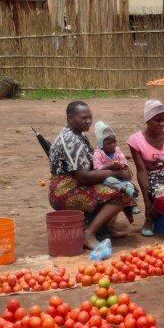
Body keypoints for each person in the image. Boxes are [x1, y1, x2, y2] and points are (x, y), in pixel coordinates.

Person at [48, 101, 136, 250]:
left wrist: (115, 167)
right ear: (70, 117)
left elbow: (92, 164)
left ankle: (103, 230)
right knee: (121, 193)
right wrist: (116, 172)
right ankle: (88, 234)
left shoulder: (78, 135)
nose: (88, 121)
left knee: (122, 185)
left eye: (90, 117)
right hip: (64, 190)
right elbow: (84, 177)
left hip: (75, 184)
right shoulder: (71, 140)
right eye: (84, 118)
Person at [128, 100, 164, 237]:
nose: (162, 124)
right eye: (157, 120)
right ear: (148, 119)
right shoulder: (136, 141)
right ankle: (149, 220)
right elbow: (141, 170)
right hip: (153, 176)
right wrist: (147, 202)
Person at [92, 120, 140, 221]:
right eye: (109, 143)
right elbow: (97, 168)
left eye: (114, 142)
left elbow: (123, 160)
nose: (113, 145)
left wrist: (122, 165)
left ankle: (133, 205)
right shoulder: (98, 153)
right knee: (111, 181)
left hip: (119, 175)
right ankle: (124, 189)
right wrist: (110, 166)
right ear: (101, 144)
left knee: (130, 185)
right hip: (106, 176)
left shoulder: (117, 150)